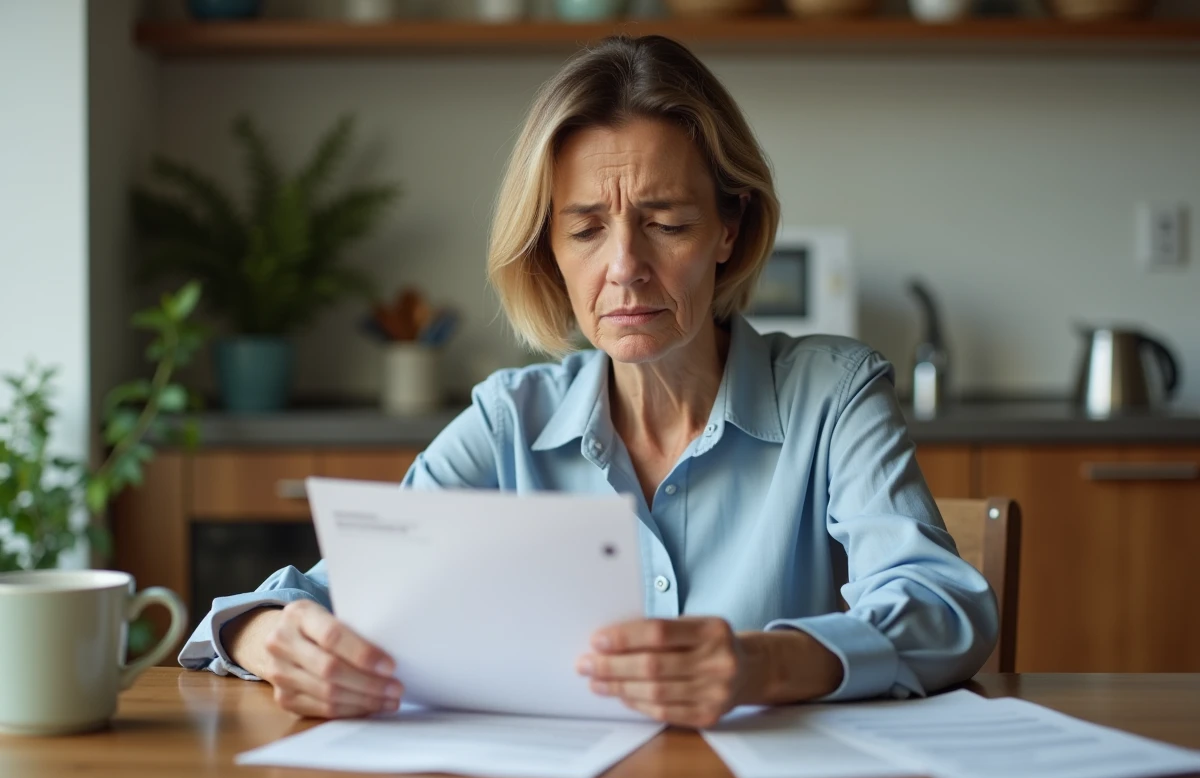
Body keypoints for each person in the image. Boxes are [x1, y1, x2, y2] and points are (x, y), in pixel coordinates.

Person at [180, 34, 997, 729]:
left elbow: (944, 607)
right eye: (585, 230)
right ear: (549, 250)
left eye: (667, 223)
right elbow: (313, 600)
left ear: (729, 227)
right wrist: (270, 640)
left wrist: (763, 664)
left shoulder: (833, 394)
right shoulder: (508, 422)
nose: (625, 270)